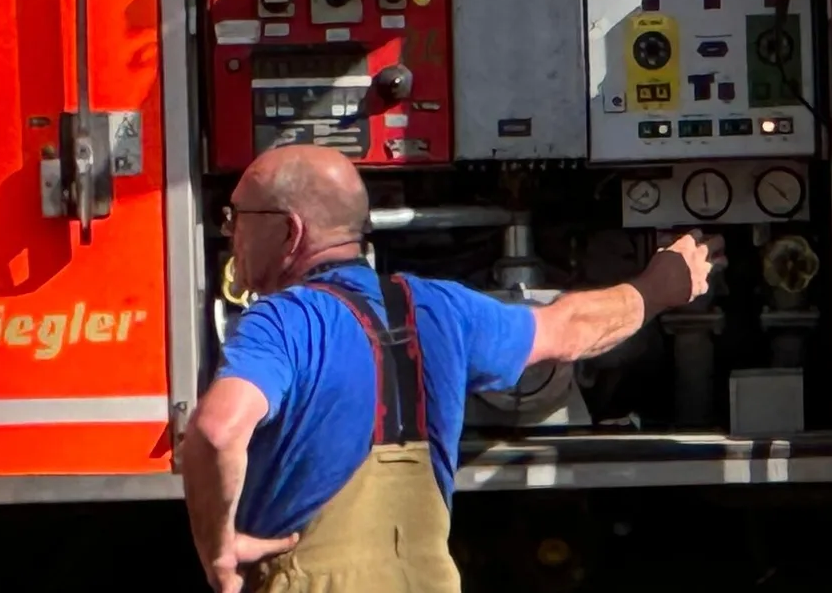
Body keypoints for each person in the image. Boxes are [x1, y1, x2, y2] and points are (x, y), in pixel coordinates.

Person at [179, 145, 719, 593]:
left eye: (238, 218)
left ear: (291, 232)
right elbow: (570, 329)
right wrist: (661, 287)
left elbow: (217, 430)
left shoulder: (282, 320)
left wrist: (218, 548)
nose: (231, 234)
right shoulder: (439, 308)